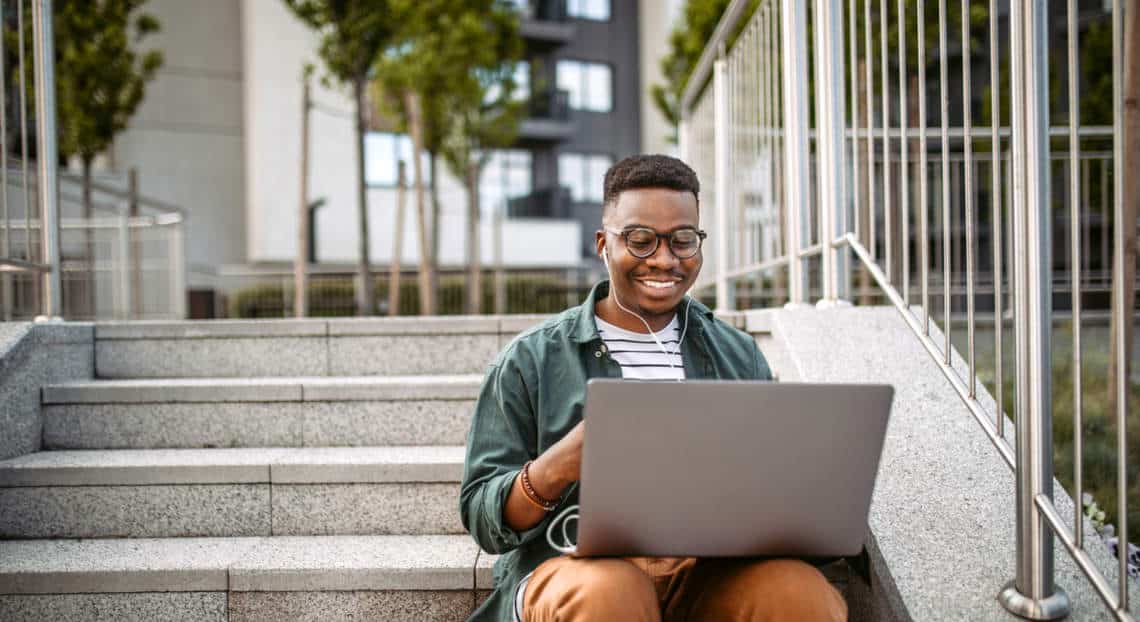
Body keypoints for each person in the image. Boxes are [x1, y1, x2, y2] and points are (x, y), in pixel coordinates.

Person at [459, 154, 847, 621]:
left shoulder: (737, 354)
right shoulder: (530, 360)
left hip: (708, 573)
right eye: (641, 240)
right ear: (604, 244)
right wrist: (560, 464)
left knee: (798, 592)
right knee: (611, 591)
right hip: (575, 569)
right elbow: (483, 516)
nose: (664, 260)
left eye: (683, 240)